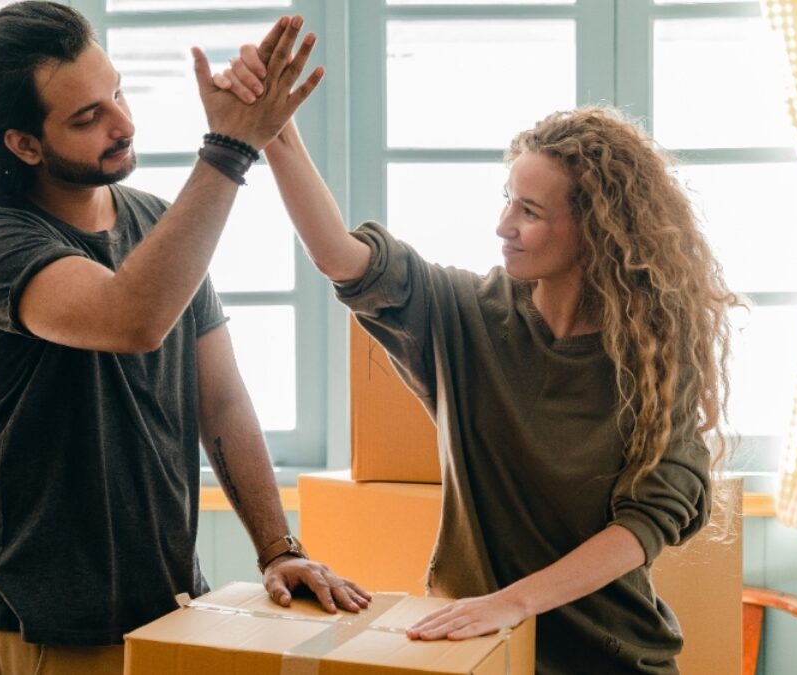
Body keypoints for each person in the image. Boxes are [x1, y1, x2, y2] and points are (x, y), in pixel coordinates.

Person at [217, 41, 737, 673]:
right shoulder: (463, 313)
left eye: (529, 211)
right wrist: (275, 135)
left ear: (596, 228)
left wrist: (512, 602)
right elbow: (340, 256)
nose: (502, 225)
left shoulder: (653, 357)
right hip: (477, 653)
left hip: (612, 658)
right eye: (507, 199)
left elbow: (644, 524)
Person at [0, 4, 369, 673]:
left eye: (118, 91)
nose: (124, 123)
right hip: (40, 628)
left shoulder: (158, 222)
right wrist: (229, 148)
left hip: (167, 610)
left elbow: (219, 399)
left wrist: (279, 547)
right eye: (87, 118)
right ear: (24, 143)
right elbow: (131, 318)